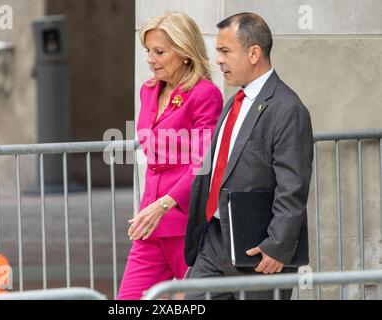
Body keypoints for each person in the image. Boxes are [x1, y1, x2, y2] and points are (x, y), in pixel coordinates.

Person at [184, 12, 314, 300]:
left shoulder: (287, 108)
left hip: (259, 253)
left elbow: (292, 187)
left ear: (254, 53)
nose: (218, 60)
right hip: (215, 241)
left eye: (225, 51)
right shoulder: (234, 102)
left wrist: (277, 246)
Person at [117, 12, 223, 300]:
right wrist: (153, 207)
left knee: (197, 302)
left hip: (186, 222)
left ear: (185, 53)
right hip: (149, 221)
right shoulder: (149, 91)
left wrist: (165, 204)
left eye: (159, 52)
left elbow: (203, 162)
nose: (150, 59)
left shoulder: (205, 94)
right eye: (148, 51)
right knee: (127, 301)